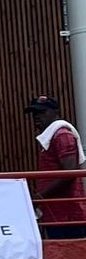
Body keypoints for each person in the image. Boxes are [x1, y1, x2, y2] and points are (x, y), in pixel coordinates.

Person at [26, 95, 85, 236]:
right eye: (34, 113)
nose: (37, 117)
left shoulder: (61, 136)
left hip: (67, 214)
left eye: (42, 112)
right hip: (57, 211)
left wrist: (39, 196)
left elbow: (70, 173)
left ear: (55, 112)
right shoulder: (52, 137)